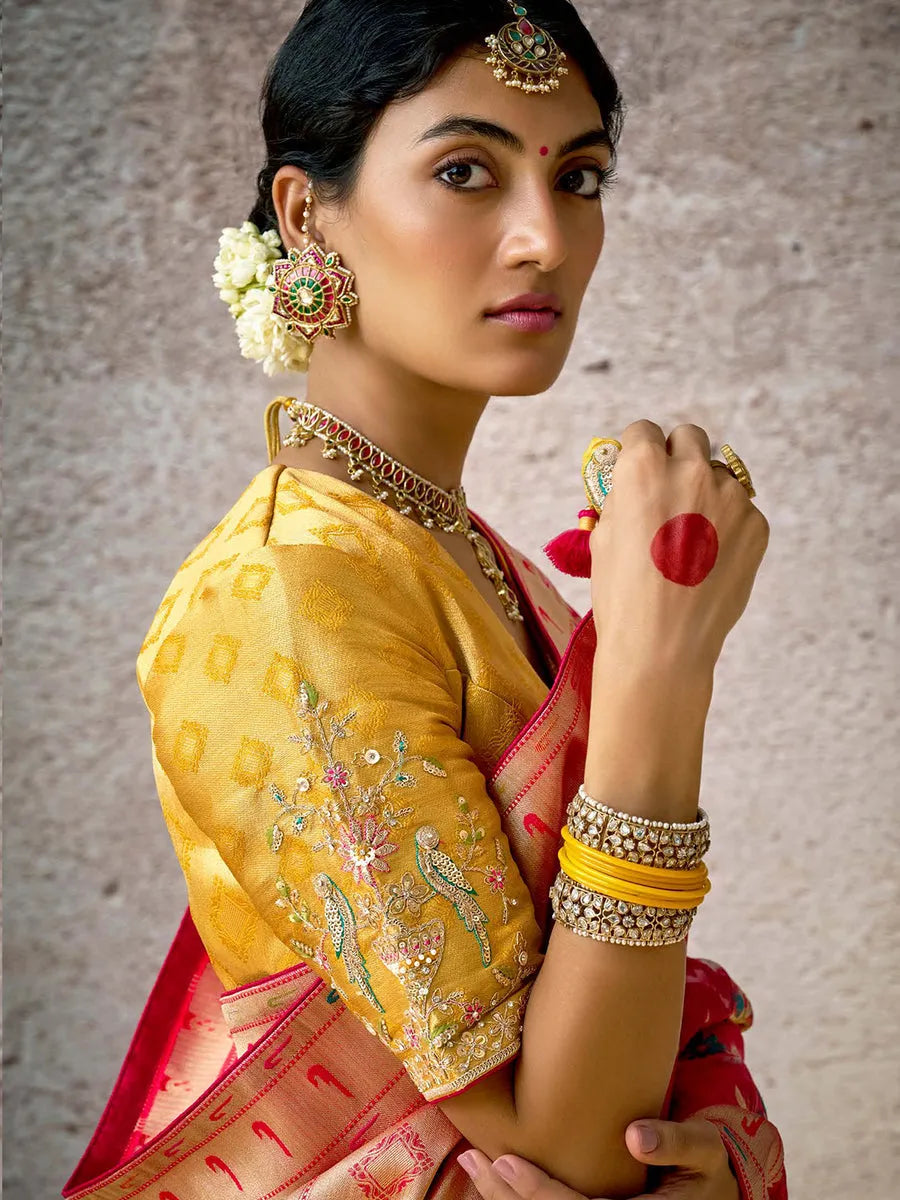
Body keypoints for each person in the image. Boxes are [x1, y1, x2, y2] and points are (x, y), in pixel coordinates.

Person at [62, 3, 787, 1199]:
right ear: (307, 215)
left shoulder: (463, 556)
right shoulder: (284, 593)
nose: (545, 238)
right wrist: (662, 675)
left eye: (582, 175)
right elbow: (560, 1155)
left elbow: (619, 1110)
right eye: (466, 170)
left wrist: (704, 1156)